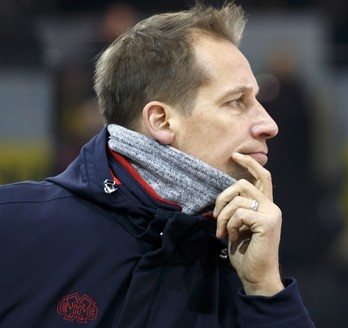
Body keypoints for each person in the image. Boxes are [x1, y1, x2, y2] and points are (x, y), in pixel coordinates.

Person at [0, 3, 314, 327]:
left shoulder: (249, 271)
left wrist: (265, 290)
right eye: (237, 101)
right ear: (161, 121)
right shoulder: (11, 226)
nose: (269, 124)